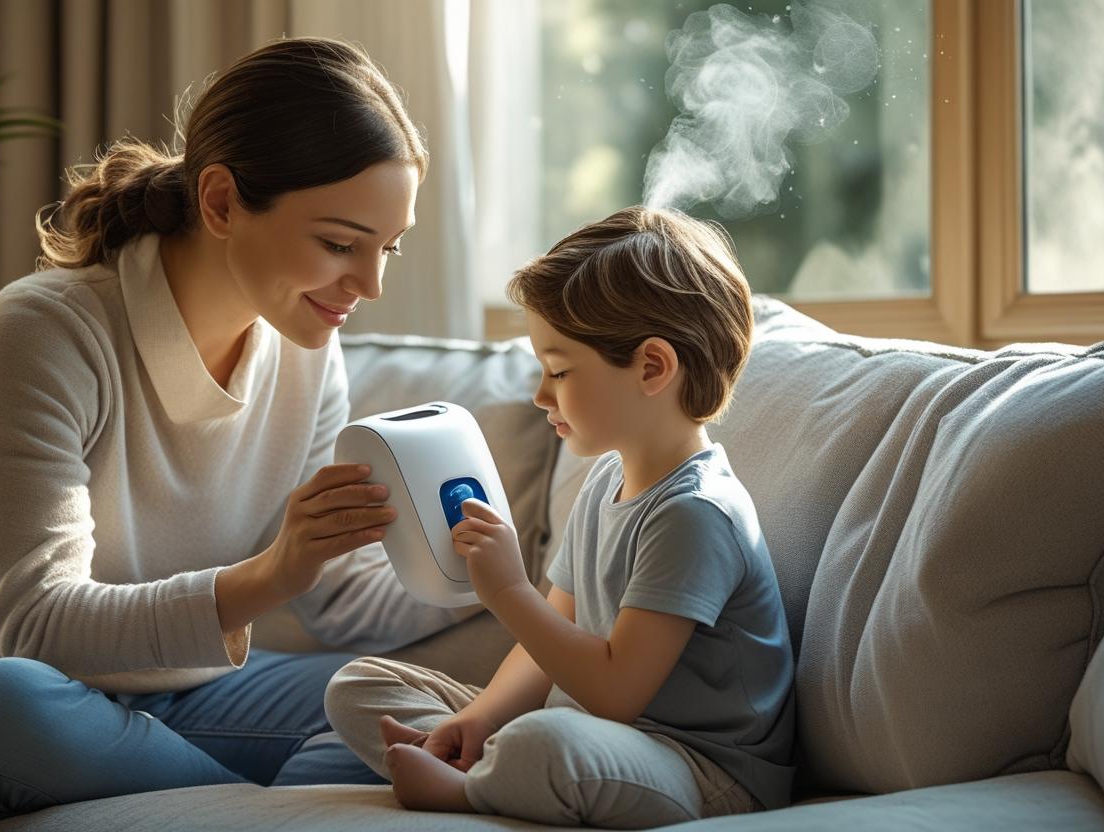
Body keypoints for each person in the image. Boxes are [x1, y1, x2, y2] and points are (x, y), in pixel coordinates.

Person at [0, 37, 474, 813]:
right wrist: (267, 574)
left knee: (419, 710)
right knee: (16, 704)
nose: (372, 284)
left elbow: (340, 600)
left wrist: (510, 572)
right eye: (339, 243)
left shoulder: (308, 355)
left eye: (388, 246)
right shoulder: (45, 331)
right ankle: (264, 811)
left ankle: (203, 800)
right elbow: (38, 624)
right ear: (221, 202)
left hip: (179, 694)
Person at [325, 206, 797, 828]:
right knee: (356, 686)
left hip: (701, 769)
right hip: (593, 731)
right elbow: (551, 640)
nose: (540, 395)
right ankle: (483, 764)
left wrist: (508, 592)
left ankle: (470, 789)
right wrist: (479, 718)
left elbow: (616, 692)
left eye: (560, 371)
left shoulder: (695, 514)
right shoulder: (609, 478)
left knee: (543, 743)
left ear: (652, 367)